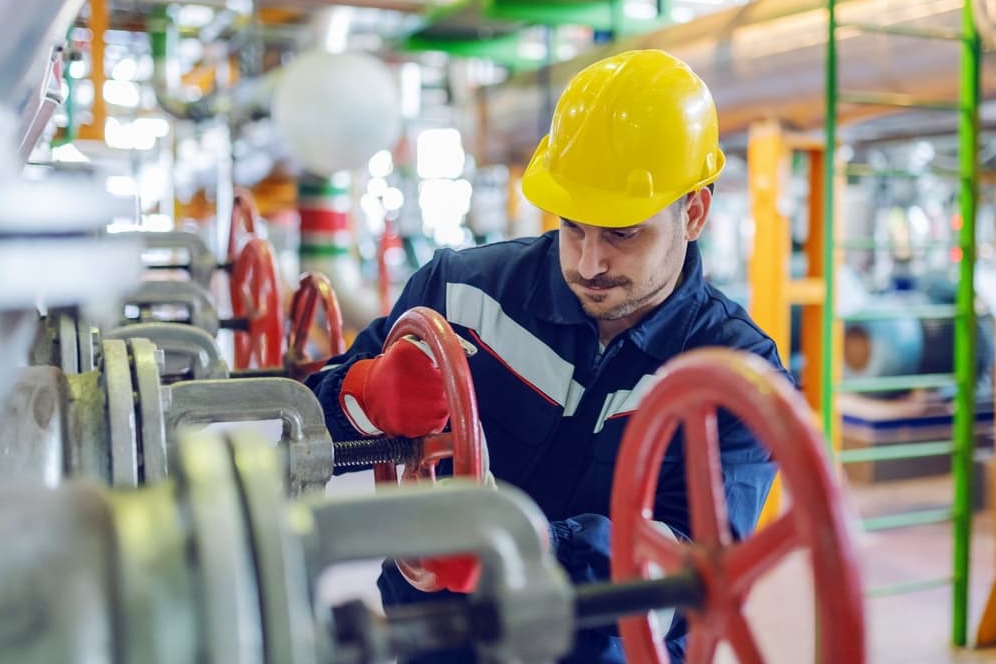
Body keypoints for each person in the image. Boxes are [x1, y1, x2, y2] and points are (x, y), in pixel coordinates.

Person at [306, 48, 789, 663]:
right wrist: (366, 395)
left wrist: (514, 550)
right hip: (430, 639)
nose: (589, 263)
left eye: (622, 232)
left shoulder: (734, 374)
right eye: (574, 226)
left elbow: (689, 578)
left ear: (693, 211)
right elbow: (310, 435)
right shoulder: (461, 291)